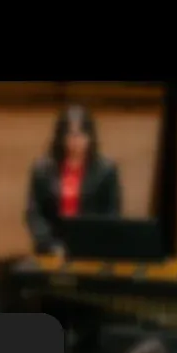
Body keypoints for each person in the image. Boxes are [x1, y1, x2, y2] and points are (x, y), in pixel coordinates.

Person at [26, 105, 122, 254]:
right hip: (50, 248)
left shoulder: (106, 170)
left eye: (81, 134)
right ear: (61, 136)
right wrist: (50, 244)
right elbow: (34, 212)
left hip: (92, 247)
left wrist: (93, 243)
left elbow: (112, 213)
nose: (76, 141)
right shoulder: (42, 169)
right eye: (70, 134)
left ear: (91, 136)